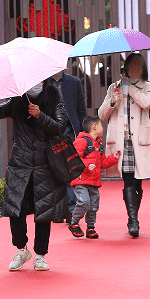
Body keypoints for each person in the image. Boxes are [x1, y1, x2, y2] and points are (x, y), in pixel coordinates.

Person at [0, 78, 69, 271]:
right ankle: (21, 249)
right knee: (16, 209)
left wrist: (40, 115)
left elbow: (60, 127)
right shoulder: (17, 98)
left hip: (45, 163)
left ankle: (40, 255)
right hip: (19, 164)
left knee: (44, 211)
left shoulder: (53, 95)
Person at [99, 52, 150, 238]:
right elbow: (102, 115)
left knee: (138, 183)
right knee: (128, 180)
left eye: (138, 67)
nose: (135, 70)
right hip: (121, 141)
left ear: (143, 70)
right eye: (132, 66)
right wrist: (112, 101)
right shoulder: (114, 88)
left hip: (139, 141)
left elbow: (146, 103)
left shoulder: (148, 87)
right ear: (125, 68)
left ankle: (132, 216)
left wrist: (129, 87)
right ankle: (133, 219)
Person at [68, 116, 120, 239]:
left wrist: (114, 158)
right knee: (84, 202)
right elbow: (74, 157)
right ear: (94, 127)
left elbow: (102, 163)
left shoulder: (99, 145)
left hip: (94, 181)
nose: (103, 128)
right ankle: (73, 223)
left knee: (94, 205)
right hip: (81, 180)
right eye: (101, 125)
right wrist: (86, 165)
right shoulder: (82, 141)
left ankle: (90, 227)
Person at [52, 63, 88, 222]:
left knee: (71, 168)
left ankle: (72, 208)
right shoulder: (44, 84)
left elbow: (81, 109)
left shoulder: (74, 82)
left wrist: (83, 132)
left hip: (70, 131)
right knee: (54, 170)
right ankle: (58, 210)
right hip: (51, 131)